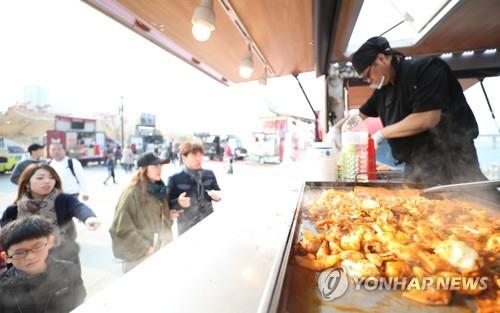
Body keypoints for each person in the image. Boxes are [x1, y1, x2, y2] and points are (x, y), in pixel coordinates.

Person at [351, 36, 486, 184]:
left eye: (368, 74)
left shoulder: (426, 69)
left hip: (452, 161)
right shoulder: (383, 91)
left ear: (383, 59)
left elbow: (427, 118)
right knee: (413, 205)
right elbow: (360, 116)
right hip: (416, 166)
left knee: (465, 204)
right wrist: (339, 130)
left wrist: (381, 134)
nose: (368, 80)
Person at [1, 163, 101, 273]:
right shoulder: (14, 210)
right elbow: (5, 238)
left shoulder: (64, 200)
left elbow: (78, 207)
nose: (47, 181)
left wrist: (88, 218)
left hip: (64, 256)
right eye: (40, 178)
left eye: (52, 178)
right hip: (28, 263)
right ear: (27, 184)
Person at [0, 216, 86, 313]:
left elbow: (80, 303)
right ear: (6, 257)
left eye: (37, 246)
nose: (30, 257)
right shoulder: (3, 288)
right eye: (19, 252)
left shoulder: (69, 270)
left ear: (50, 242)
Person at [109, 152, 177, 273]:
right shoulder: (132, 193)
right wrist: (146, 249)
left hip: (160, 253)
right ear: (143, 169)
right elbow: (120, 228)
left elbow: (159, 223)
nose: (159, 169)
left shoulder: (160, 191)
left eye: (160, 165)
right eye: (154, 166)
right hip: (139, 258)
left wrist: (169, 217)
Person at [167, 142, 221, 235]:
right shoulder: (175, 178)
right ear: (184, 157)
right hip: (187, 228)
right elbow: (167, 204)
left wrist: (217, 196)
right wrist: (178, 202)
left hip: (209, 225)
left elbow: (217, 190)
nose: (198, 159)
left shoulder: (209, 174)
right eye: (194, 155)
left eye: (200, 155)